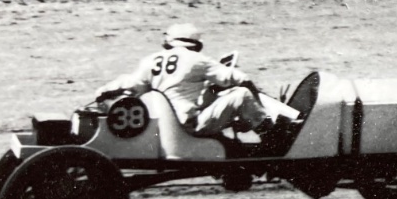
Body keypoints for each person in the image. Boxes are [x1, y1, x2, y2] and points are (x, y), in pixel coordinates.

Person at [94, 22, 298, 148]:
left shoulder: (151, 60)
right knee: (242, 94)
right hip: (189, 125)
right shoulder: (197, 60)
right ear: (196, 44)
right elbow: (240, 79)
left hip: (164, 126)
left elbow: (132, 85)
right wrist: (259, 108)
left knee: (215, 95)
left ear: (169, 41)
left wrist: (103, 91)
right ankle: (273, 138)